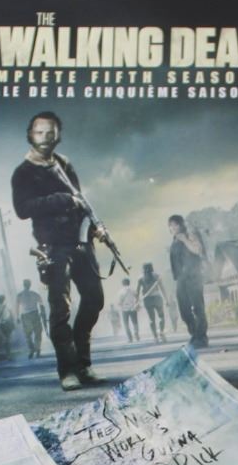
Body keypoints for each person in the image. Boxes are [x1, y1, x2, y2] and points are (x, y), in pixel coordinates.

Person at [11, 111, 110, 391]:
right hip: (52, 246)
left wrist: (96, 228)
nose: (45, 137)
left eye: (51, 132)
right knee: (60, 309)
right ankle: (68, 370)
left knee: (95, 299)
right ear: (30, 135)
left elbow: (81, 201)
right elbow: (22, 209)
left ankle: (83, 364)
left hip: (80, 242)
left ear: (58, 136)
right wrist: (60, 199)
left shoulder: (65, 164)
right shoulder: (23, 173)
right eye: (39, 132)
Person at [168, 214, 210, 349]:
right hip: (181, 279)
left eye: (175, 224)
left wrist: (185, 240)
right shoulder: (174, 241)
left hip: (194, 277)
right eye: (170, 225)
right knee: (184, 310)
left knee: (198, 307)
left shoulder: (189, 235)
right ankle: (195, 334)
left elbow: (198, 250)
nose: (173, 228)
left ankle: (201, 337)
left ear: (181, 225)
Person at [15, 277, 48, 358]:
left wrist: (17, 317)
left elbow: (17, 307)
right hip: (34, 314)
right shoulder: (35, 294)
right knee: (38, 332)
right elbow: (42, 305)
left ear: (23, 285)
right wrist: (43, 314)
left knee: (27, 335)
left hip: (25, 316)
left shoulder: (19, 295)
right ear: (30, 285)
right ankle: (37, 349)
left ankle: (31, 349)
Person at [137, 262, 168, 342]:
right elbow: (162, 288)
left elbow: (138, 292)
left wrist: (137, 303)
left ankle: (155, 337)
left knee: (151, 319)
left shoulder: (140, 278)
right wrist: (166, 299)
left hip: (147, 300)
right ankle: (161, 332)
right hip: (157, 298)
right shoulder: (157, 276)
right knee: (161, 316)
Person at [117, 276, 141, 341]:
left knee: (126, 324)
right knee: (135, 322)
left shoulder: (120, 291)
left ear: (122, 283)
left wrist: (120, 305)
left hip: (124, 309)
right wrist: (137, 304)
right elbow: (137, 297)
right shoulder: (133, 289)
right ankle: (136, 333)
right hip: (133, 308)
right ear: (129, 282)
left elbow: (119, 302)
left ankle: (130, 338)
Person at [0, 294, 16, 360]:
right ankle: (9, 354)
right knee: (8, 339)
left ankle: (8, 354)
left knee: (5, 339)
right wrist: (13, 323)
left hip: (1, 324)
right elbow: (11, 315)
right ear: (4, 299)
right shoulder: (7, 306)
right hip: (7, 323)